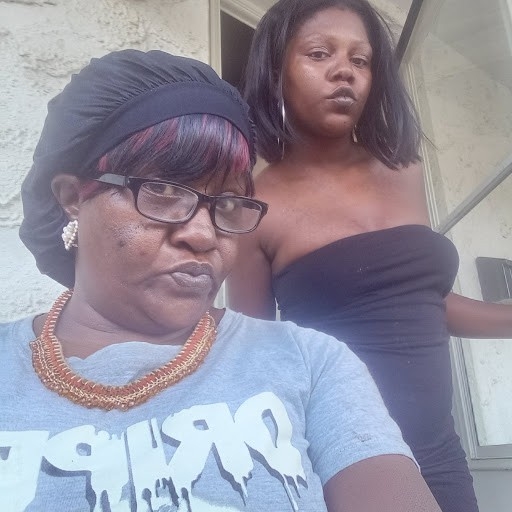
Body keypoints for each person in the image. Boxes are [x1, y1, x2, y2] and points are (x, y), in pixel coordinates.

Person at [0, 49, 442, 512]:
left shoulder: (310, 362)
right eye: (163, 189)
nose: (203, 234)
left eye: (228, 203)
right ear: (73, 197)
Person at [227, 1, 512, 512]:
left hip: (441, 451)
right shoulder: (255, 205)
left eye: (360, 60)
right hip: (344, 461)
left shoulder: (404, 171)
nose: (345, 71)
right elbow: (255, 355)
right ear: (276, 71)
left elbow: (425, 303)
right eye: (320, 54)